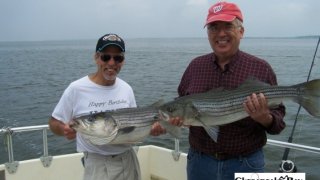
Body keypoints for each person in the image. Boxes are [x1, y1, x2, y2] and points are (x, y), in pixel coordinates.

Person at [173, 2, 286, 180]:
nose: (221, 34)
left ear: (241, 31)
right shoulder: (195, 67)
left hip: (246, 164)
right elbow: (180, 102)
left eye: (228, 26)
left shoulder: (260, 68)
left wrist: (265, 118)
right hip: (199, 163)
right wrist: (182, 119)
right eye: (213, 27)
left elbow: (279, 123)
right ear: (208, 33)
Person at [48, 33, 165, 180]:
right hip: (98, 164)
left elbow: (135, 125)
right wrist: (63, 129)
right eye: (106, 57)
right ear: (96, 58)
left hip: (128, 160)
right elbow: (53, 122)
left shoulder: (126, 88)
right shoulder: (76, 88)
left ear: (123, 61)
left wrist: (152, 129)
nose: (111, 63)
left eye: (118, 58)